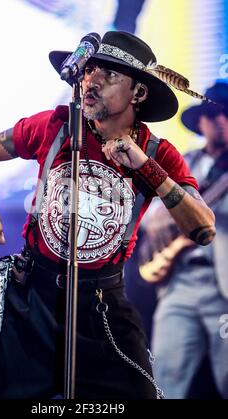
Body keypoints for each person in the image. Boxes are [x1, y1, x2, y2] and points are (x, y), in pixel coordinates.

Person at [0, 31, 215, 399]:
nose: (92, 80)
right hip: (31, 300)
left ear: (138, 93)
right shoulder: (55, 126)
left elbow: (204, 228)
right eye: (90, 70)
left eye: (109, 75)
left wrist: (147, 168)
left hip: (102, 307)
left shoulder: (157, 152)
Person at [141, 81, 228, 399]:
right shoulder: (185, 162)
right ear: (201, 121)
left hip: (224, 285)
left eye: (227, 115)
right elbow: (153, 216)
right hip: (178, 283)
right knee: (164, 377)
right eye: (213, 115)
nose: (220, 121)